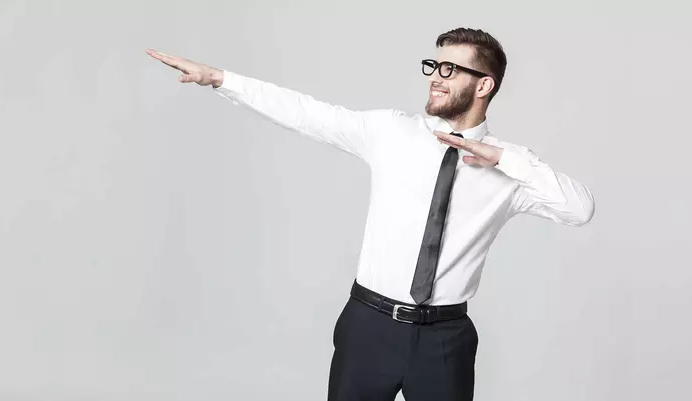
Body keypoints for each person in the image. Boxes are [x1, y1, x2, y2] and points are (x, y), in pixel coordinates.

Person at [146, 27, 594, 401]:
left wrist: (500, 159)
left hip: (445, 339)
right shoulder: (391, 132)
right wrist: (221, 78)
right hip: (368, 328)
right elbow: (307, 113)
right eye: (434, 67)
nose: (436, 78)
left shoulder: (510, 169)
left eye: (451, 69)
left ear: (484, 85)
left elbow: (579, 209)